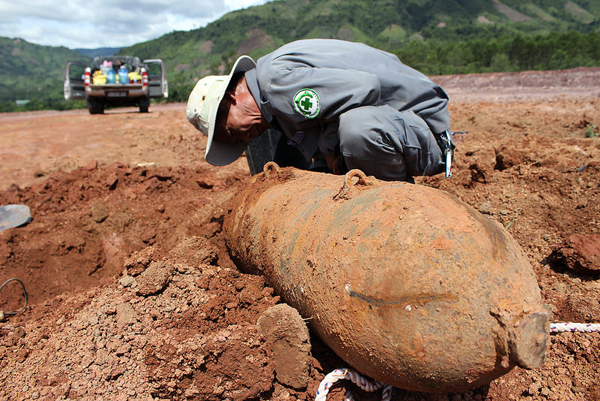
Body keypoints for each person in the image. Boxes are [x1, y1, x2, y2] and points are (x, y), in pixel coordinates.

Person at [187, 39, 455, 182]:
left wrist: (328, 150)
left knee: (358, 129)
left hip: (424, 131)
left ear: (230, 99)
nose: (245, 139)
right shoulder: (272, 89)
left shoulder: (276, 84)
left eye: (232, 133)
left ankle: (396, 207)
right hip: (401, 129)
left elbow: (366, 87)